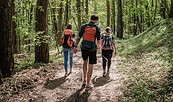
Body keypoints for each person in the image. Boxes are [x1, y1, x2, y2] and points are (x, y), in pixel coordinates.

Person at [74, 14, 101, 90]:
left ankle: (84, 81)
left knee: (85, 62)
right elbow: (98, 40)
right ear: (95, 20)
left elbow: (79, 36)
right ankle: (88, 84)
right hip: (92, 48)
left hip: (84, 47)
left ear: (91, 19)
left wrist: (75, 46)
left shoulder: (84, 26)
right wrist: (98, 48)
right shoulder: (97, 27)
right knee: (91, 65)